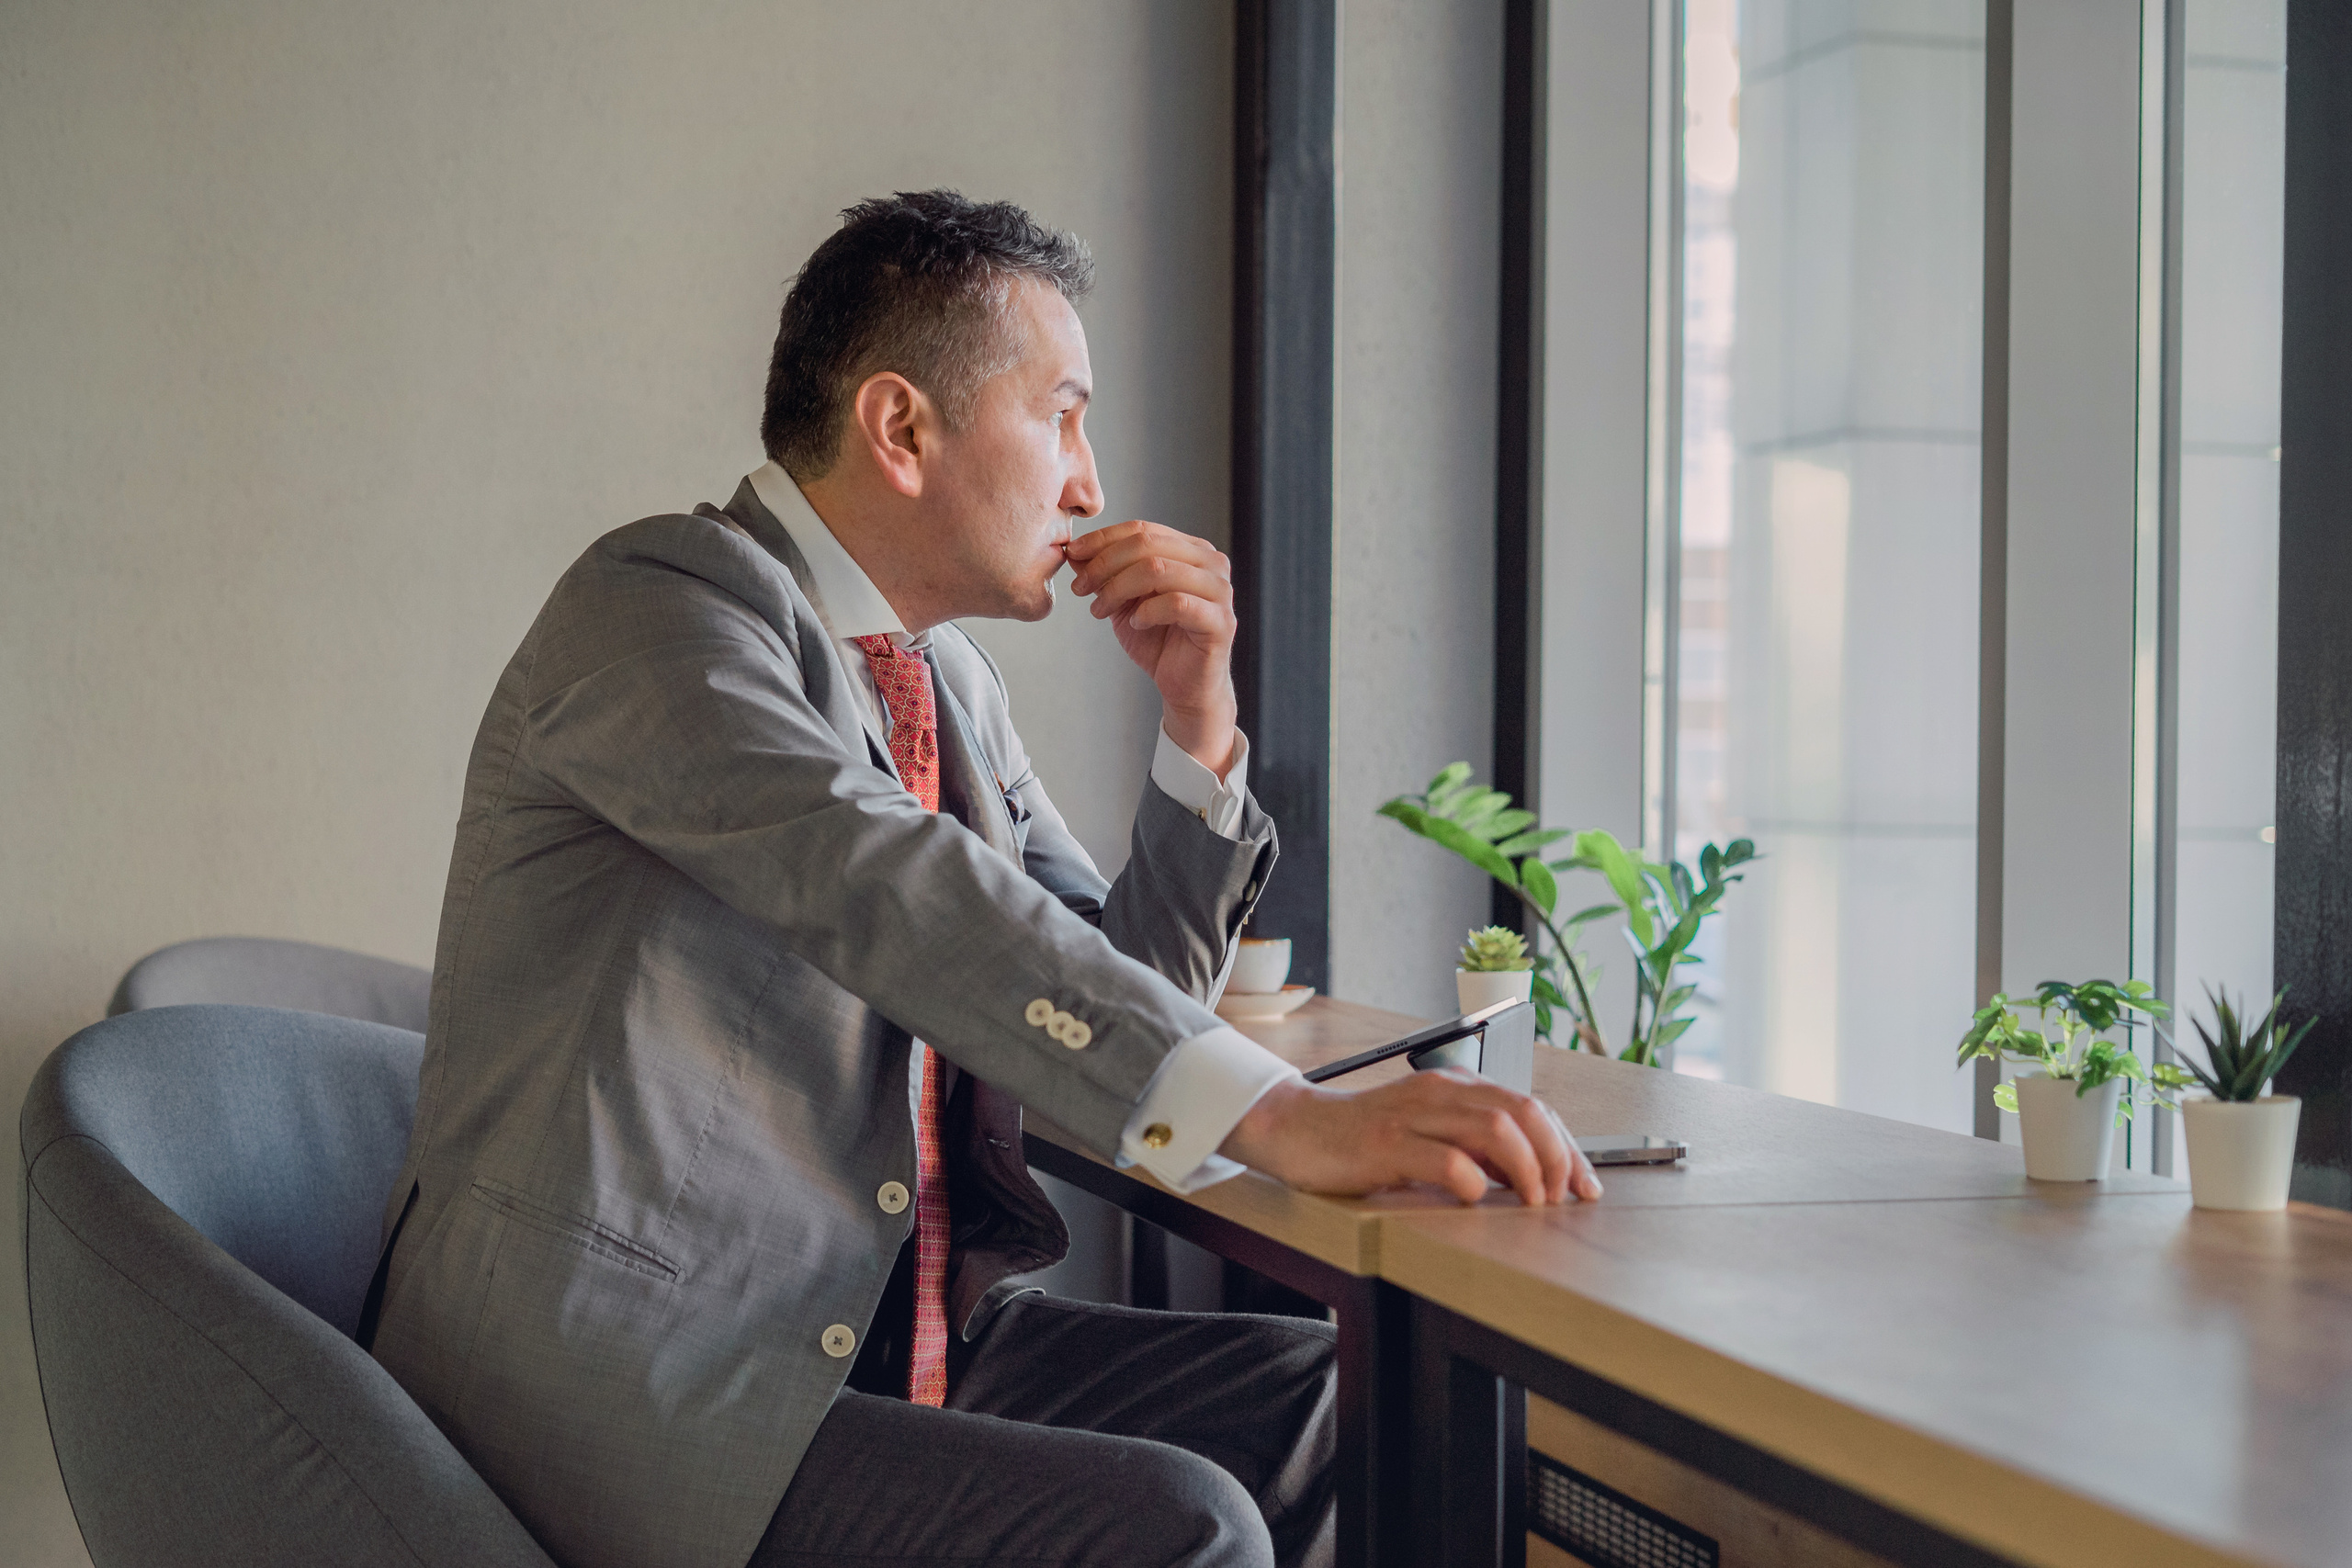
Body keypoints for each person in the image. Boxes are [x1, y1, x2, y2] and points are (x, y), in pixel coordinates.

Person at [365, 189, 1599, 1568]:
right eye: (1062, 414)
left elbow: (1098, 991)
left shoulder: (950, 681)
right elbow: (885, 882)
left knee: (1331, 1404)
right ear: (902, 429)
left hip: (891, 1332)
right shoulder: (658, 606)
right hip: (643, 1375)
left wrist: (1197, 729)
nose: (1092, 482)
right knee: (1176, 1528)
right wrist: (1287, 1120)